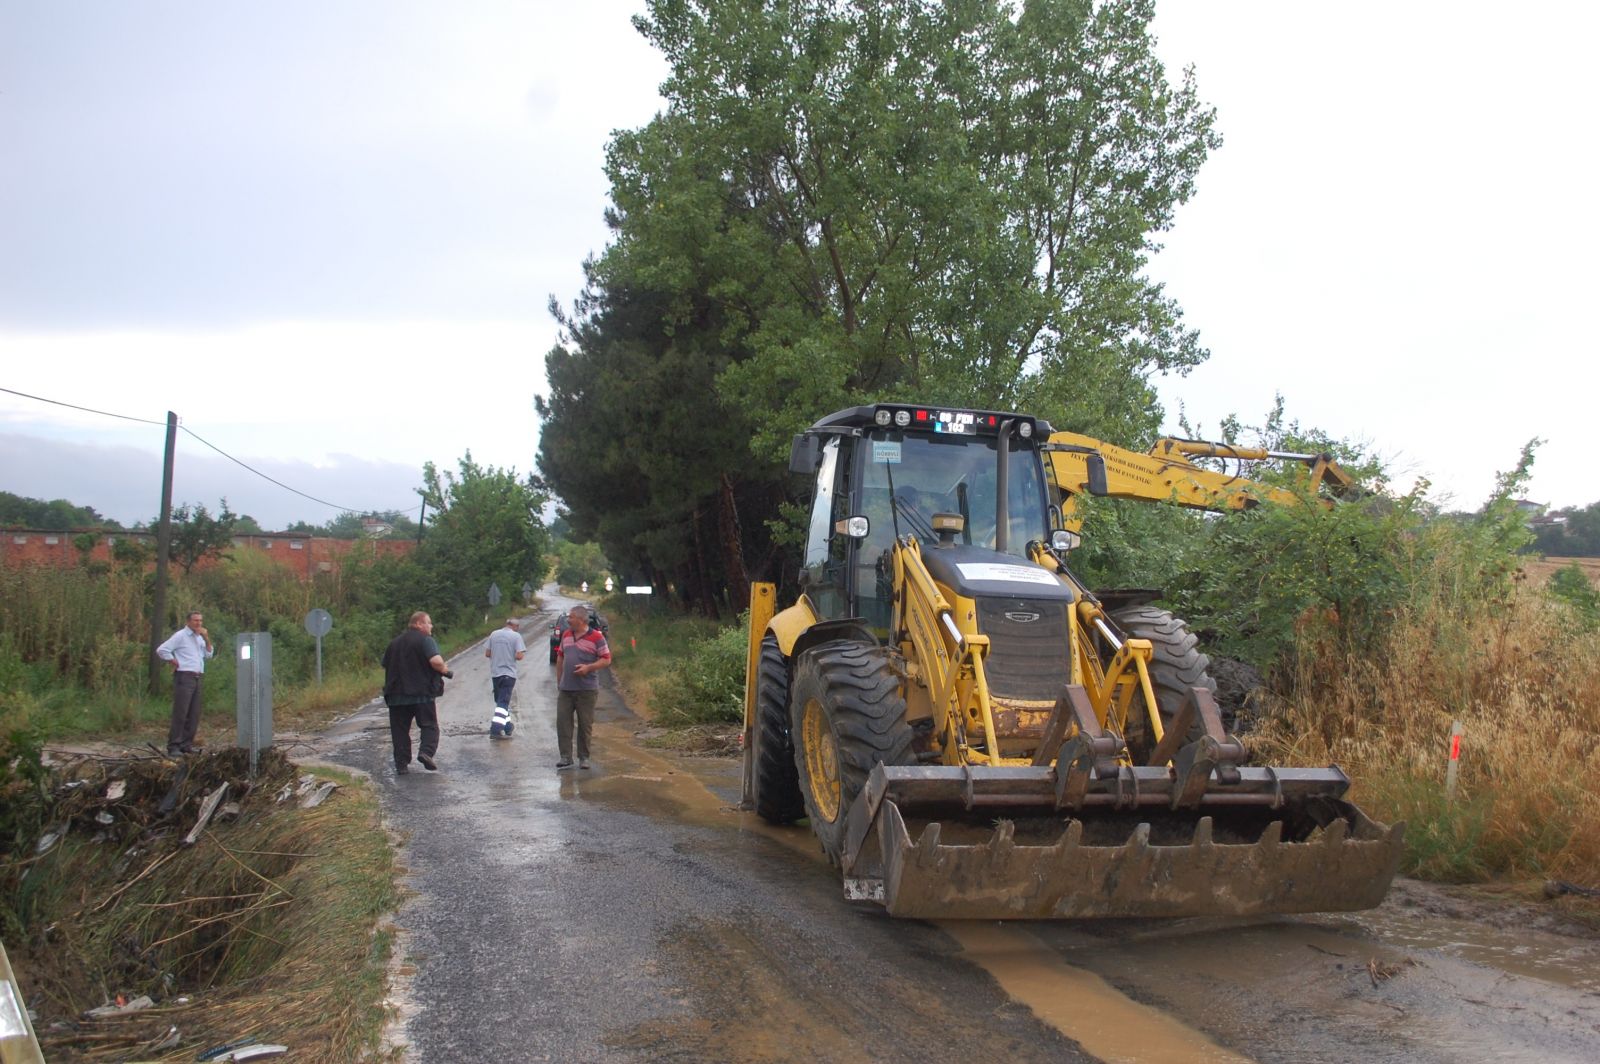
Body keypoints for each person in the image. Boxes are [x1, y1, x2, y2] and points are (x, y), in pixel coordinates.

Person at [381, 611, 453, 774]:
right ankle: (426, 753)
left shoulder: (394, 643)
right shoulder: (426, 641)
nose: (431, 626)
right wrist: (444, 669)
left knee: (399, 730)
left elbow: (384, 663)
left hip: (396, 695)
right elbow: (435, 661)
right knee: (429, 726)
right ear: (419, 624)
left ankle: (401, 765)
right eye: (429, 622)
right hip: (421, 694)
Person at [554, 604, 611, 770]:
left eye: (571, 617)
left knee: (585, 724)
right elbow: (560, 658)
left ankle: (584, 757)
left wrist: (588, 668)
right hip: (566, 689)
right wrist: (559, 681)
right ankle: (565, 757)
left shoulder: (596, 637)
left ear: (580, 619)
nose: (568, 620)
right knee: (563, 722)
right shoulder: (566, 635)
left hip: (587, 689)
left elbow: (606, 659)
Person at [155, 610, 213, 757]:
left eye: (200, 620)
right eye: (195, 620)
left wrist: (206, 638)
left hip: (197, 676)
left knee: (194, 713)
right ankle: (174, 745)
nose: (198, 623)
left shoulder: (199, 637)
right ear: (188, 622)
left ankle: (186, 744)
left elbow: (209, 654)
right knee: (181, 712)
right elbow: (162, 650)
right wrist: (173, 661)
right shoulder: (181, 636)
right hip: (184, 676)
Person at [484, 617, 527, 739]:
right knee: (503, 702)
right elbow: (519, 656)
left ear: (506, 624)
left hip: (495, 673)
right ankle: (496, 729)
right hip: (508, 674)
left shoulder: (494, 634)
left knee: (500, 701)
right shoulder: (516, 636)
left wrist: (499, 653)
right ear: (516, 626)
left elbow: (487, 653)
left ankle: (508, 726)